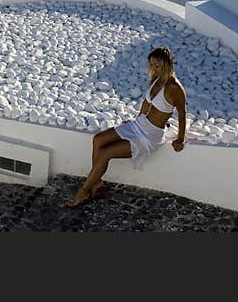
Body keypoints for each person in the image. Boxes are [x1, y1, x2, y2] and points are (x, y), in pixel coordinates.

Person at [65, 46, 187, 208]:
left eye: (157, 65)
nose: (153, 68)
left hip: (149, 136)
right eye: (151, 65)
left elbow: (182, 113)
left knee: (105, 153)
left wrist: (180, 139)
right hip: (138, 125)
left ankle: (84, 191)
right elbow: (146, 104)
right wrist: (134, 121)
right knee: (98, 139)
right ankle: (97, 183)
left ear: (167, 65)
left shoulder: (174, 87)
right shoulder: (156, 80)